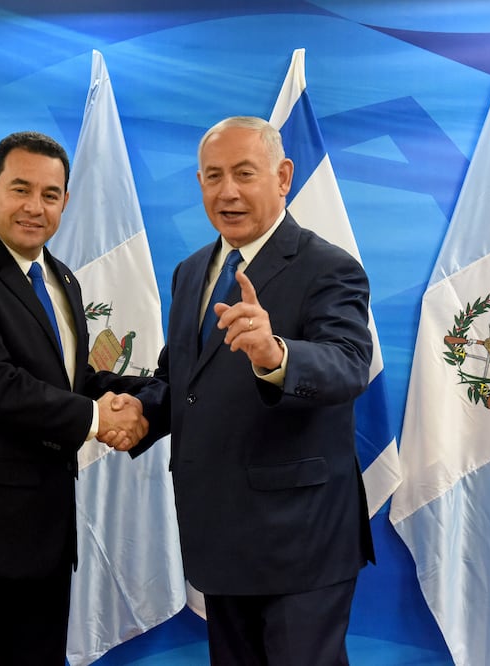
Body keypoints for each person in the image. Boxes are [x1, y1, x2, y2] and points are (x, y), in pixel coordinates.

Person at [0, 130, 157, 665]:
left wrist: (155, 400)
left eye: (49, 194)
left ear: (66, 201)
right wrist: (97, 418)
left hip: (44, 541)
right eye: (20, 189)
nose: (34, 207)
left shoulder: (61, 278)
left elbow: (68, 383)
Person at [142, 116, 375, 665]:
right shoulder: (189, 271)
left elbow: (348, 365)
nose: (228, 191)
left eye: (245, 173)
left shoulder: (329, 267)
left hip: (301, 542)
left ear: (283, 176)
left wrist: (277, 356)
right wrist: (131, 412)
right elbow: (180, 382)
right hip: (218, 535)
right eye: (213, 176)